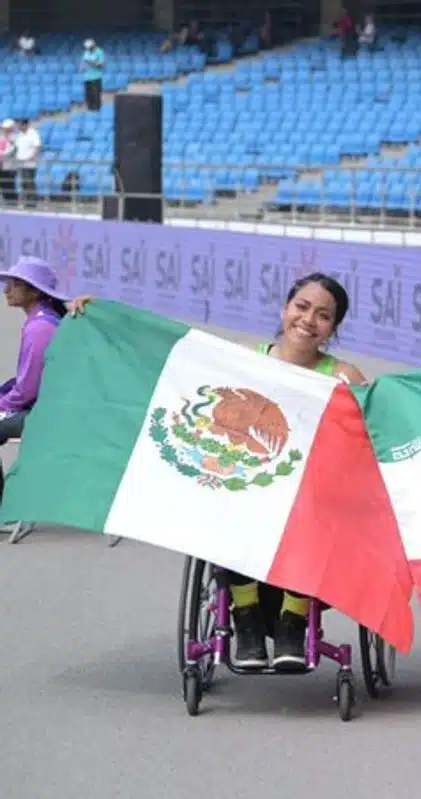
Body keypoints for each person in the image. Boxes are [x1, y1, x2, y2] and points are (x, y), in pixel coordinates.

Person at [69, 273, 368, 670]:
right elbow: (170, 357)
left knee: (312, 508)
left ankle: (292, 623)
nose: (308, 320)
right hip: (248, 491)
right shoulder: (243, 359)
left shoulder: (344, 377)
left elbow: (372, 434)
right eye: (302, 307)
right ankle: (244, 621)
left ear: (333, 327)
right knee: (227, 505)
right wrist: (99, 317)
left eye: (323, 315)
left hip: (311, 502)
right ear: (285, 308)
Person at [0, 257, 70, 499]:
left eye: (16, 284)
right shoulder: (42, 320)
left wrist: (2, 404)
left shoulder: (40, 327)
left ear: (35, 292)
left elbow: (28, 391)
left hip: (45, 414)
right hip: (45, 407)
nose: (6, 290)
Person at [80, 39, 105, 112]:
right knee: (88, 95)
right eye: (87, 48)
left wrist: (91, 63)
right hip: (87, 77)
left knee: (96, 95)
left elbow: (102, 65)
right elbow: (83, 63)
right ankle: (90, 109)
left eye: (90, 47)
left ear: (93, 45)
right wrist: (82, 67)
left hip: (96, 77)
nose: (89, 49)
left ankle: (97, 110)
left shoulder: (99, 52)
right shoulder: (86, 52)